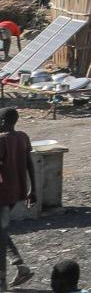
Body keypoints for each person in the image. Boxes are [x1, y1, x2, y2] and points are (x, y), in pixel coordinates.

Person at [0, 109, 32, 286]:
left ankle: (3, 280)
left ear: (3, 121)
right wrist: (32, 189)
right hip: (17, 193)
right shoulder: (23, 136)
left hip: (2, 194)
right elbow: (29, 164)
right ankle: (19, 266)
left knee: (1, 233)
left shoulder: (2, 140)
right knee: (1, 231)